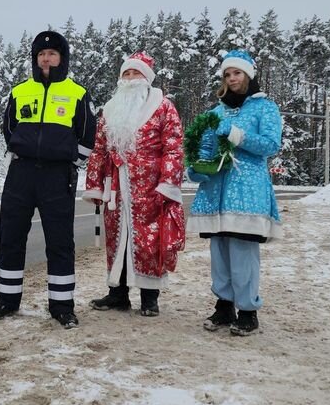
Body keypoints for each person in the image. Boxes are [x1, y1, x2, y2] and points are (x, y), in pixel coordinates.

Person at [0, 30, 97, 329]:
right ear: (35, 59)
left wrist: (72, 161)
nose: (46, 58)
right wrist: (21, 149)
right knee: (10, 238)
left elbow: (88, 135)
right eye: (41, 54)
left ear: (62, 58)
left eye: (52, 54)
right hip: (20, 174)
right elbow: (9, 128)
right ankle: (7, 301)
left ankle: (61, 307)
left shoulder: (77, 93)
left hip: (57, 177)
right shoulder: (21, 91)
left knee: (60, 243)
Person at [82, 51, 186, 317]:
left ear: (147, 78)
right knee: (117, 240)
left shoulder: (163, 107)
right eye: (126, 73)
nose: (130, 79)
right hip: (116, 187)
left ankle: (149, 298)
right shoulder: (110, 109)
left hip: (149, 188)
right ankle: (118, 294)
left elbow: (173, 148)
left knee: (149, 241)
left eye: (135, 73)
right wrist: (94, 185)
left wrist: (167, 184)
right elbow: (99, 149)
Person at [187, 49, 283, 336]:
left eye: (237, 73)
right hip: (216, 191)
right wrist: (196, 167)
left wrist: (237, 135)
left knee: (243, 252)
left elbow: (270, 145)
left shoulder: (265, 108)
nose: (232, 78)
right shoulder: (215, 113)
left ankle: (248, 311)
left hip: (248, 191)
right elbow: (204, 147)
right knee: (220, 252)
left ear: (248, 74)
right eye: (227, 74)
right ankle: (224, 305)